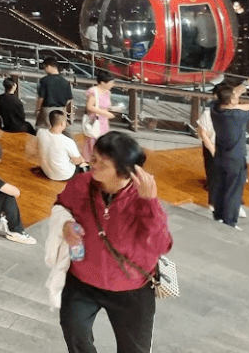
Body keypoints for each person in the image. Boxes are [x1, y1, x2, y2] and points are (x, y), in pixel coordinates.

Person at [57, 132, 171, 353]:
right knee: (74, 333)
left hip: (132, 287)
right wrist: (65, 225)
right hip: (83, 280)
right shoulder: (81, 184)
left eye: (102, 162)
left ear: (124, 171)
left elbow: (160, 246)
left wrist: (151, 204)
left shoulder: (142, 199)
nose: (93, 164)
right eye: (95, 157)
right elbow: (61, 206)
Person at [210, 74, 249, 227]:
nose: (237, 97)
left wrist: (247, 84)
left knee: (222, 187)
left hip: (220, 156)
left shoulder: (215, 108)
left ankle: (218, 216)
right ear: (231, 101)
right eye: (235, 97)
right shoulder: (237, 115)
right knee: (234, 190)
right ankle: (230, 222)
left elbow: (232, 95)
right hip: (235, 159)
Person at [38, 110, 87, 181]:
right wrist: (81, 159)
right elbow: (77, 161)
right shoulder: (68, 141)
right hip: (63, 175)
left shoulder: (40, 132)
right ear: (62, 123)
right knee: (83, 163)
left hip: (47, 172)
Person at [82, 71, 115, 160]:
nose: (112, 85)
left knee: (102, 141)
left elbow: (106, 106)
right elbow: (89, 106)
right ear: (103, 82)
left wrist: (112, 110)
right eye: (111, 82)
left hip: (104, 121)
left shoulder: (107, 92)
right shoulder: (94, 91)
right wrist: (105, 113)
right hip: (95, 120)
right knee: (93, 141)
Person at [35, 57, 74, 131]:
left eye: (45, 68)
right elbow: (69, 100)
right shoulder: (65, 82)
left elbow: (41, 98)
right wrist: (70, 115)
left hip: (47, 110)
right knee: (58, 131)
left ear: (48, 66)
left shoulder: (45, 80)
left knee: (42, 130)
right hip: (61, 111)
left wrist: (37, 110)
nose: (45, 70)